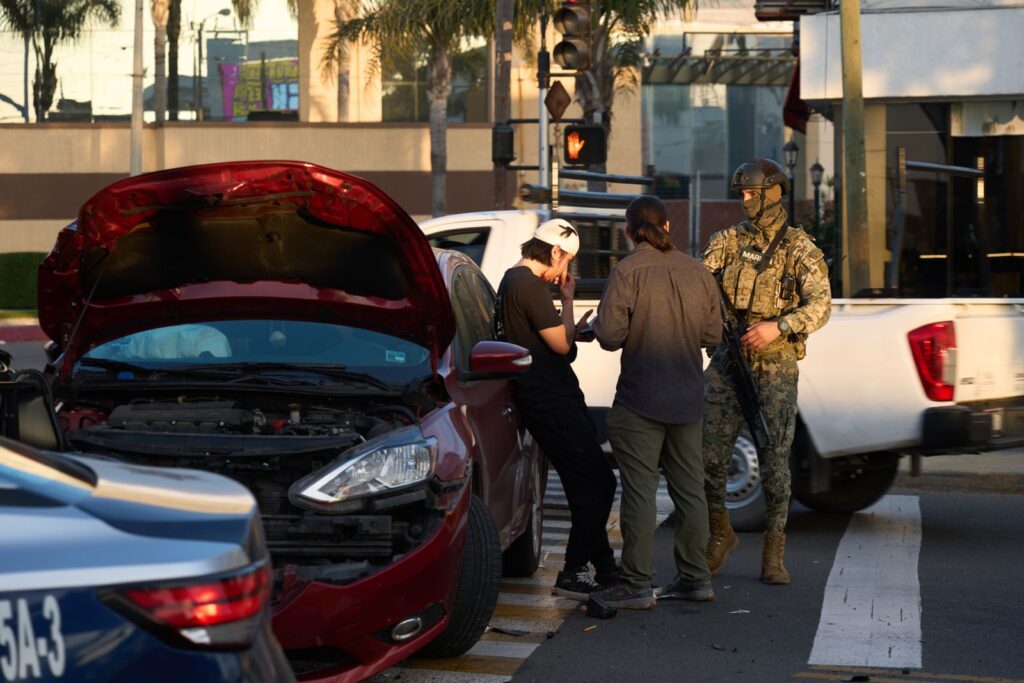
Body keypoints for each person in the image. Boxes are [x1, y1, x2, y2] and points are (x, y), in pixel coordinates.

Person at [701, 157, 832, 585]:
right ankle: (720, 531)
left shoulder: (800, 249)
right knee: (708, 455)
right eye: (741, 193)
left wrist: (779, 326)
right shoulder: (725, 241)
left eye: (752, 193)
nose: (745, 201)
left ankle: (773, 553)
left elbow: (820, 306)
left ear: (773, 193)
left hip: (774, 365)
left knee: (775, 461)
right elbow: (700, 285)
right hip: (727, 359)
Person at [591, 196, 722, 610]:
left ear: (629, 232)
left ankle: (636, 584)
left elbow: (610, 336)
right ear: (667, 227)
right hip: (687, 398)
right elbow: (712, 336)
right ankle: (696, 579)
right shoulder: (698, 271)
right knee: (691, 492)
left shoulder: (627, 271)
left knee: (640, 494)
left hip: (640, 400)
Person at [493, 218, 618, 599]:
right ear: (555, 252)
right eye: (566, 262)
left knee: (585, 485)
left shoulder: (511, 281)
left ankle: (607, 569)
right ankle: (574, 569)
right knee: (600, 483)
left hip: (549, 399)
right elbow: (562, 346)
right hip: (549, 401)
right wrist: (566, 303)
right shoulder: (527, 285)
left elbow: (554, 339)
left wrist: (567, 322)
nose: (564, 273)